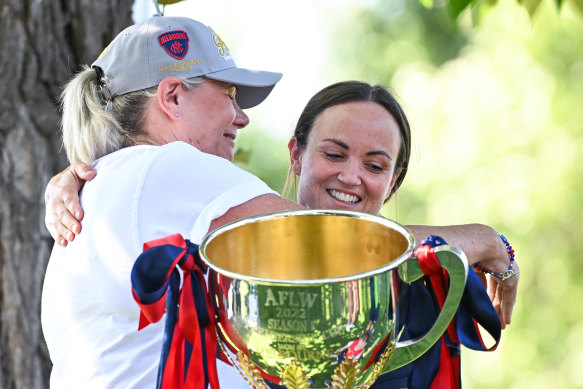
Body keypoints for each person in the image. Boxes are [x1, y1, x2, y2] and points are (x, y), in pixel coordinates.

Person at [45, 78, 518, 387]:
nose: (351, 177)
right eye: (334, 154)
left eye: (375, 165)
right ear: (296, 155)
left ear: (393, 181)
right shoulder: (229, 231)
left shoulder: (417, 288)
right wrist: (87, 175)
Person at [40, 14, 306, 389]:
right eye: (229, 94)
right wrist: (421, 250)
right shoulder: (169, 166)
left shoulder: (110, 181)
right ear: (173, 97)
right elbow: (327, 239)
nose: (241, 117)